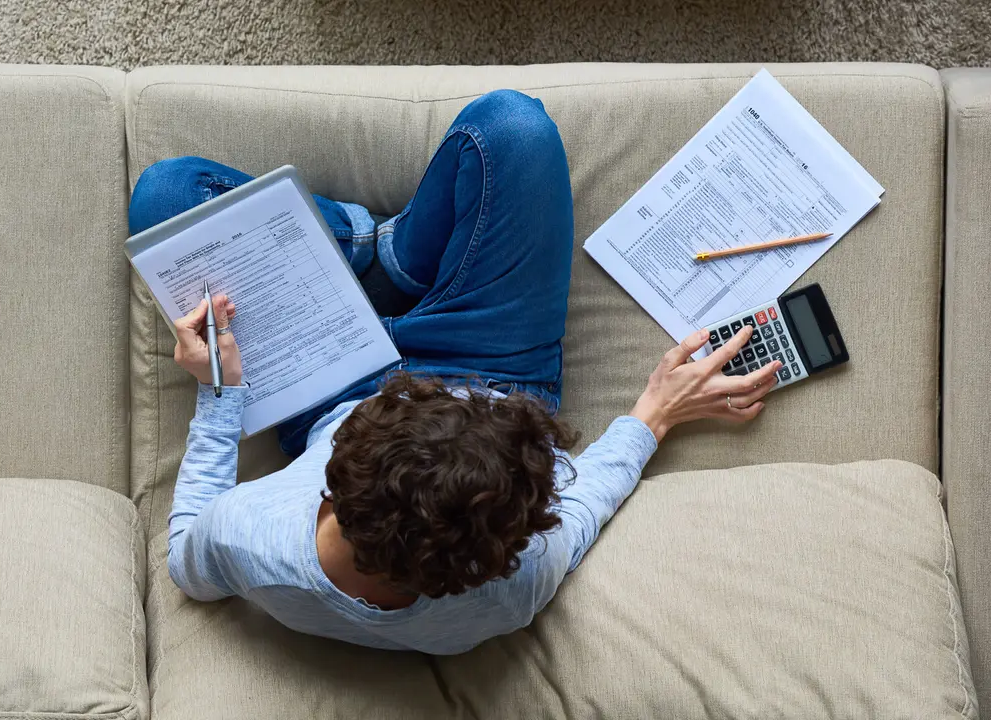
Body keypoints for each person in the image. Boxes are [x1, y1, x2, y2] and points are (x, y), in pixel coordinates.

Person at [129, 90, 782, 655]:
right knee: (514, 127)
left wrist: (220, 390)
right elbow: (584, 507)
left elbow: (186, 555)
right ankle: (391, 257)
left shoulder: (253, 539)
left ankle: (374, 254)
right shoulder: (511, 580)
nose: (425, 387)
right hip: (491, 364)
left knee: (167, 196)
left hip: (328, 388)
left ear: (328, 492)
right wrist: (655, 414)